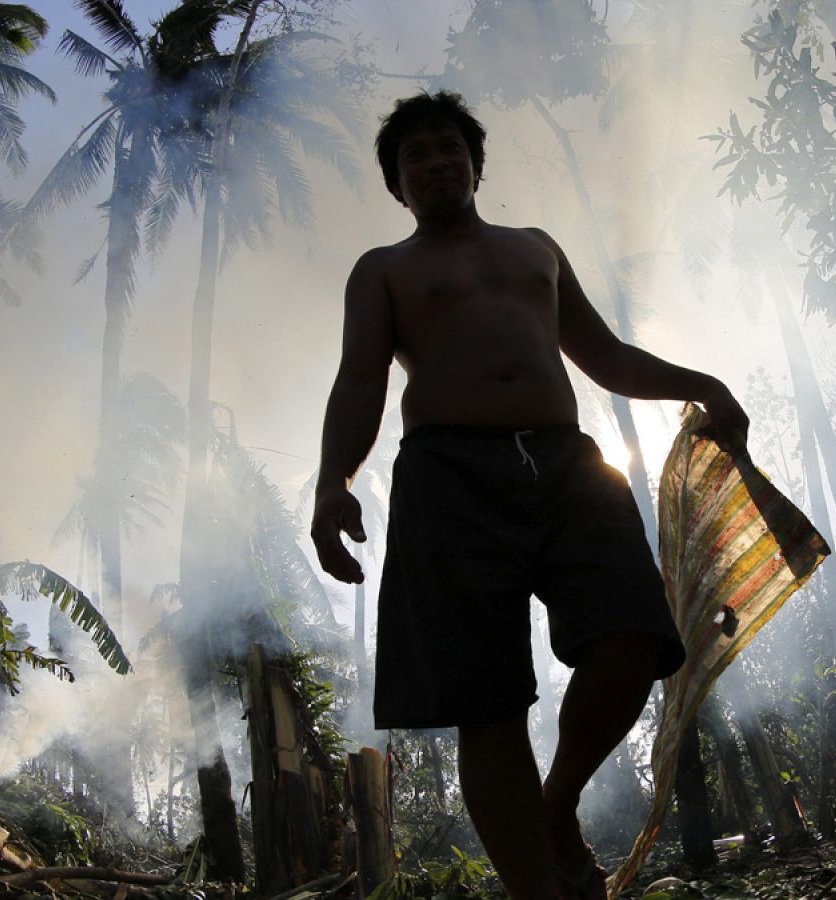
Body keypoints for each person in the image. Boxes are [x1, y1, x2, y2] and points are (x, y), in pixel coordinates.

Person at [311, 91, 748, 900]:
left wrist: (704, 384)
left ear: (477, 165)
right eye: (416, 157)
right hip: (447, 478)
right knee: (486, 700)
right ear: (396, 186)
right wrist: (331, 483)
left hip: (568, 467)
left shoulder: (534, 248)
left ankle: (557, 801)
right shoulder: (384, 269)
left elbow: (605, 356)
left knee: (634, 634)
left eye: (449, 149)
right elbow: (358, 380)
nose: (436, 163)